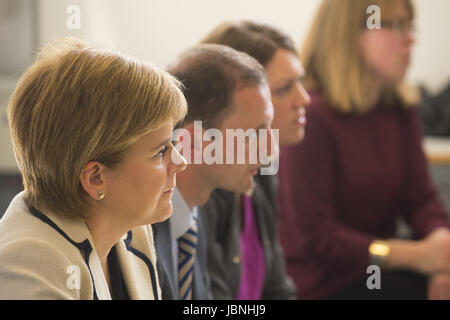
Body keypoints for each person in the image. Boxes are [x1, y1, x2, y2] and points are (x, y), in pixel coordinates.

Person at [278, 0, 450, 300]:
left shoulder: (400, 108)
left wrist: (441, 254)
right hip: (322, 284)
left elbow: (421, 199)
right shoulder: (311, 116)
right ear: (350, 34)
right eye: (395, 25)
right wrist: (416, 256)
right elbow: (315, 238)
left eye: (410, 26)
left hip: (376, 272)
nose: (410, 38)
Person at [0, 38, 187, 299]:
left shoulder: (130, 231)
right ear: (96, 178)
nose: (180, 162)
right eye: (160, 152)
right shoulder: (29, 264)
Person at [199, 20, 311, 299]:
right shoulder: (202, 188)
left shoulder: (263, 171)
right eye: (285, 88)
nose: (305, 98)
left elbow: (278, 289)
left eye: (301, 82)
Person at [153, 44, 275, 299]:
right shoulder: (137, 230)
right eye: (254, 134)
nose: (269, 151)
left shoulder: (196, 217)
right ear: (194, 143)